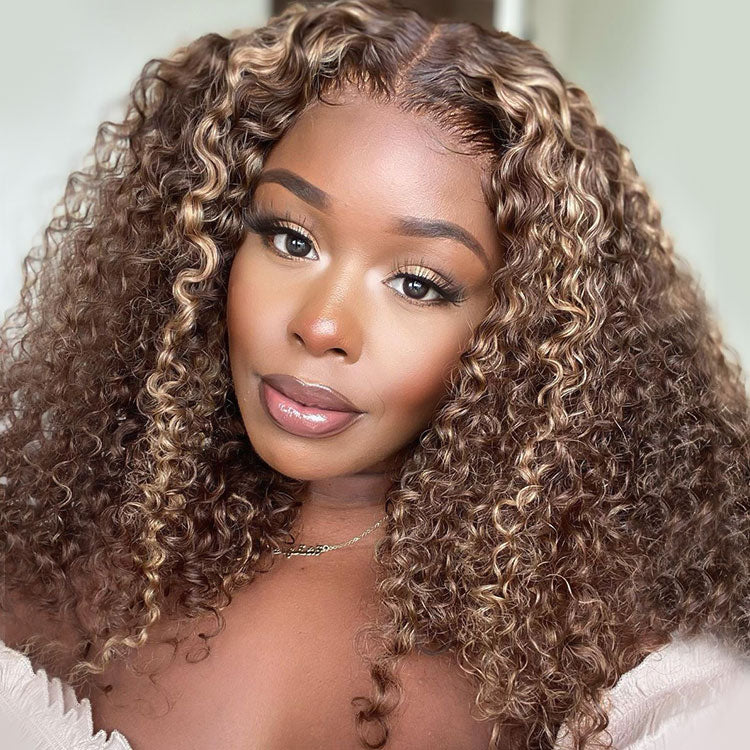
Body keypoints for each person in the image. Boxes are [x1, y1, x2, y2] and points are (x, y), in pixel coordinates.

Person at [1, 1, 748, 748]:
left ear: (519, 330)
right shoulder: (54, 553)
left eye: (417, 284)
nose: (322, 324)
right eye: (290, 239)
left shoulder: (611, 667)